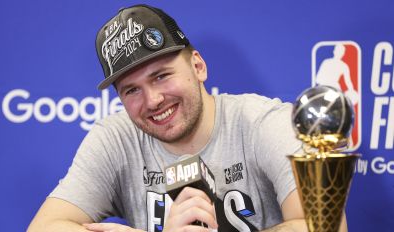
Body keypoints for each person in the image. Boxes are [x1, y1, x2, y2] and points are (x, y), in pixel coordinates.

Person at [28, 4, 348, 232]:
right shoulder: (114, 138)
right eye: (131, 91)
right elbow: (44, 227)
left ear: (198, 67)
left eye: (161, 76)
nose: (153, 100)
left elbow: (326, 225)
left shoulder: (264, 122)